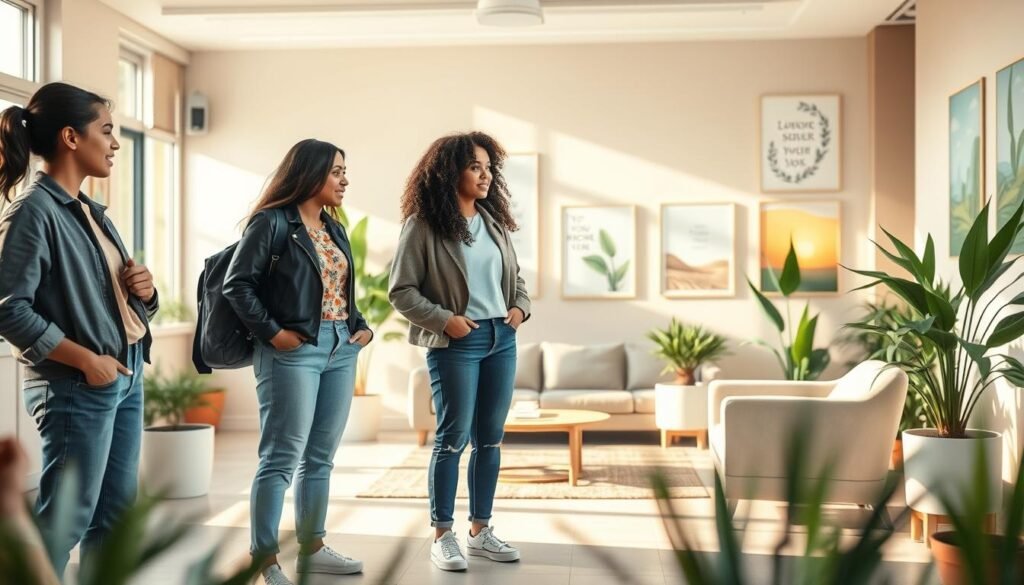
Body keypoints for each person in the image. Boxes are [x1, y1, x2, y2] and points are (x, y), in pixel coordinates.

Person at [0, 82, 158, 578]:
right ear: (71, 137)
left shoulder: (92, 213)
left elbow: (108, 306)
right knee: (65, 522)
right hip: (76, 382)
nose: (114, 143)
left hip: (123, 373)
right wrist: (86, 360)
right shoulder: (32, 212)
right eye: (107, 131)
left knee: (113, 518)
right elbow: (8, 310)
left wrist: (146, 293)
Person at [223, 139, 373, 585]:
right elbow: (237, 285)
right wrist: (273, 333)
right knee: (281, 458)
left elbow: (339, 289)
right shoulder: (271, 223)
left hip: (340, 347)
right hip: (291, 351)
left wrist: (359, 326)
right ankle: (264, 560)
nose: (345, 180)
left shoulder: (334, 228)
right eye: (336, 172)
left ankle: (314, 547)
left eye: (345, 171)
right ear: (310, 173)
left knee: (321, 457)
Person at [389, 131, 530, 572]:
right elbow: (401, 291)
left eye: (490, 168)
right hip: (456, 341)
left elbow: (517, 280)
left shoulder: (493, 223)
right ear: (452, 171)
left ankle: (481, 530)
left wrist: (519, 308)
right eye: (476, 167)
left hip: (500, 339)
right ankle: (443, 535)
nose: (486, 175)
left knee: (490, 439)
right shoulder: (423, 225)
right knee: (452, 440)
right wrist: (444, 319)